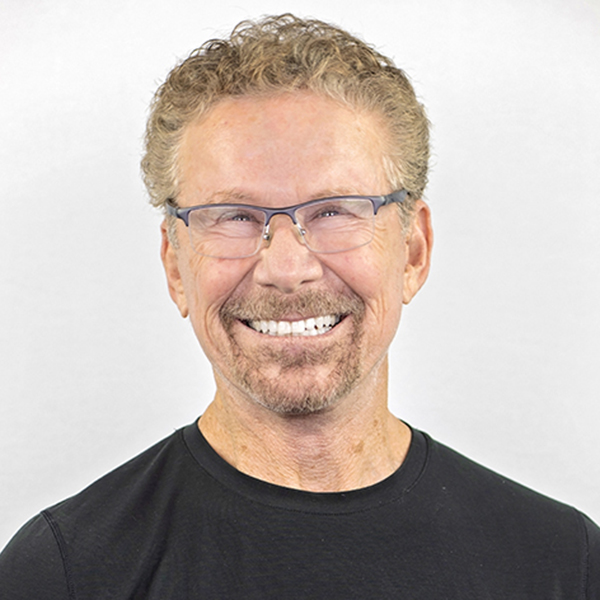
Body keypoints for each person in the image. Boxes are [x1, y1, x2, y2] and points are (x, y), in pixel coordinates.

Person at [0, 13, 598, 599]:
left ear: (413, 252)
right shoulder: (63, 575)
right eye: (234, 217)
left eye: (334, 211)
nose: (287, 269)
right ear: (176, 266)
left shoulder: (562, 564)